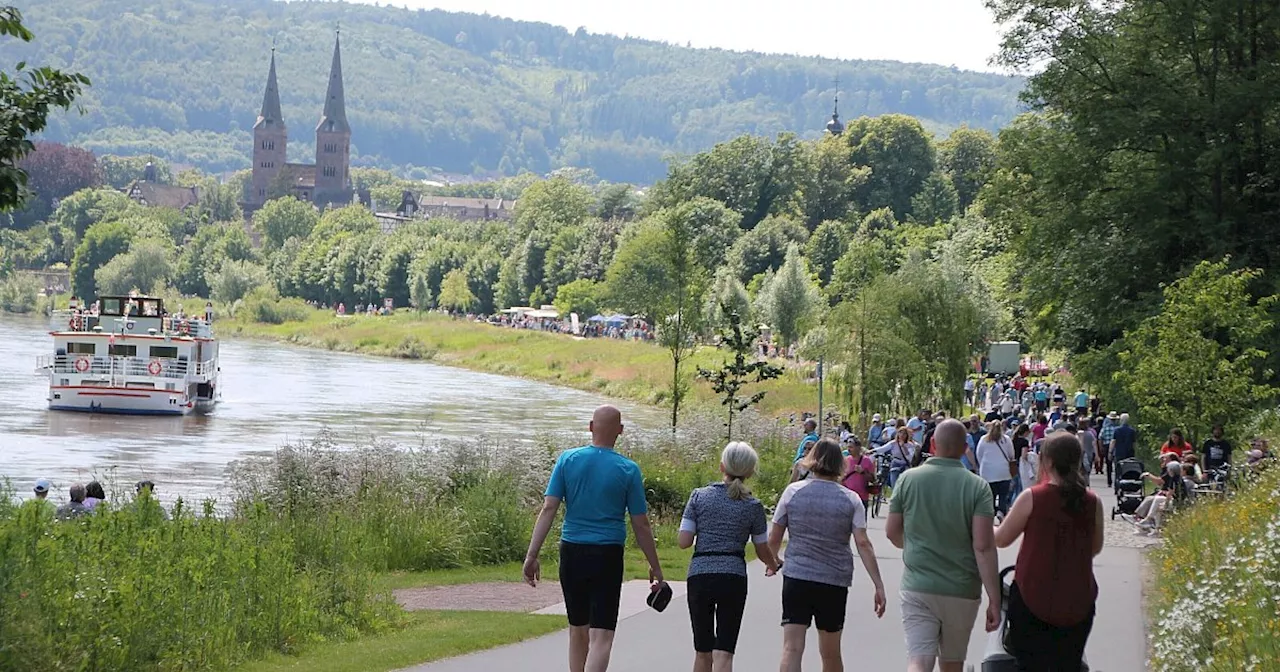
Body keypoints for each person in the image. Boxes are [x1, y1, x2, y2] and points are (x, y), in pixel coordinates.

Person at [523, 406, 664, 672]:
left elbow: (549, 508)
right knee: (602, 636)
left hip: (572, 550)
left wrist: (532, 555)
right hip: (607, 554)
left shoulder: (567, 460)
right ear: (620, 432)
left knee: (577, 629)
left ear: (590, 427)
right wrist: (655, 566)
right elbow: (640, 523)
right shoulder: (628, 469)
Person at [886, 420, 999, 672]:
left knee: (918, 660)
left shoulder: (907, 480)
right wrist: (994, 597)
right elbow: (983, 546)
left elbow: (892, 532)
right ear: (964, 448)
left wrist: (914, 546)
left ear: (933, 444)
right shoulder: (977, 487)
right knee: (952, 663)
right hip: (962, 589)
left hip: (918, 586)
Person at [768, 438, 886, 672]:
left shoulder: (793, 492)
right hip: (833, 581)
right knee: (831, 653)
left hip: (797, 577)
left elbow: (775, 535)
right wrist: (878, 584)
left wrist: (773, 562)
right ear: (840, 464)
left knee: (792, 648)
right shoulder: (850, 499)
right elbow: (863, 543)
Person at [995, 432, 1103, 671]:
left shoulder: (1032, 497)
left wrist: (985, 526)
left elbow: (1001, 540)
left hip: (1032, 597)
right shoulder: (1093, 502)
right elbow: (1094, 548)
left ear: (1047, 461)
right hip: (1078, 599)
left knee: (1029, 665)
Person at [679, 442, 780, 672]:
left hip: (700, 575)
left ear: (721, 466)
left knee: (702, 651)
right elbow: (762, 548)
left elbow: (684, 541)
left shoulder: (699, 496)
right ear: (750, 471)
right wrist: (772, 564)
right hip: (733, 576)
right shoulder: (753, 506)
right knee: (724, 652)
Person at [1121, 460, 1192, 535]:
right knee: (1157, 499)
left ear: (1171, 470)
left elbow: (1170, 493)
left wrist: (1165, 504)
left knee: (1159, 506)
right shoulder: (1178, 479)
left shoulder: (1174, 479)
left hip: (1176, 503)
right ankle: (1148, 521)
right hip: (1177, 500)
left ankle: (1152, 524)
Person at [976, 421, 1017, 518]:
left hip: (988, 472)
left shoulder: (984, 439)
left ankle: (991, 513)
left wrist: (982, 465)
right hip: (1003, 472)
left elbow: (979, 455)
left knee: (991, 496)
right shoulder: (1006, 439)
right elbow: (1011, 455)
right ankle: (1001, 512)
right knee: (1003, 495)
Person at [842, 440, 875, 509]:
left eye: (851, 447)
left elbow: (872, 479)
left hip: (862, 497)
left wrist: (863, 472)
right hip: (847, 496)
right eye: (848, 447)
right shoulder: (846, 460)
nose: (848, 449)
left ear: (858, 448)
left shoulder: (866, 460)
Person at [1110, 413, 1138, 479]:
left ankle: (1118, 482)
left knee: (1118, 469)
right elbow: (1134, 444)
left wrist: (1110, 452)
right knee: (1128, 469)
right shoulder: (1132, 431)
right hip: (1129, 453)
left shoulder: (1117, 430)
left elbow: (1113, 441)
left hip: (1119, 453)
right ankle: (1127, 481)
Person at [1097, 412, 1117, 480]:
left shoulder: (1105, 428)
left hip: (1106, 446)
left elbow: (1100, 438)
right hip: (1116, 446)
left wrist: (1101, 447)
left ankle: (1109, 480)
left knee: (1108, 463)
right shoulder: (1117, 429)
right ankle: (1117, 479)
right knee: (1116, 462)